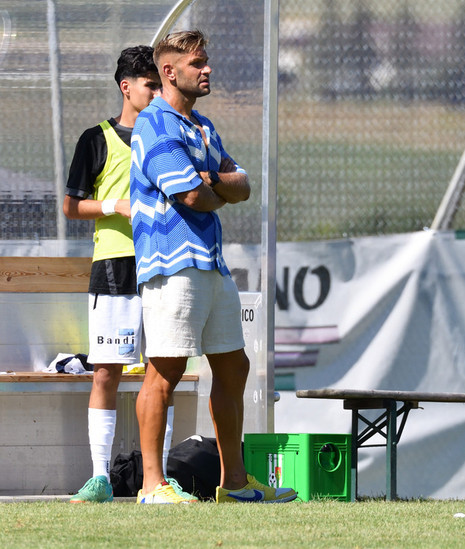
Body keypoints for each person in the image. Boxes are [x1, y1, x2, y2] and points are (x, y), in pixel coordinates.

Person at [130, 29, 296, 504]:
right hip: (171, 263)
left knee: (234, 367)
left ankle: (235, 483)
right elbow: (192, 195)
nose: (207, 70)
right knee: (165, 370)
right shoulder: (154, 124)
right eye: (197, 63)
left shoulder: (202, 126)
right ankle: (152, 485)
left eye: (207, 61)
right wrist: (215, 187)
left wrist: (216, 183)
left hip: (211, 262)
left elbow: (241, 185)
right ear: (169, 71)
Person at [63, 45, 193, 503]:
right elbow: (70, 205)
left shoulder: (166, 135)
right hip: (115, 268)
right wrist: (115, 206)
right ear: (127, 87)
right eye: (151, 84)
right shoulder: (95, 139)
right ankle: (100, 477)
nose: (158, 91)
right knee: (107, 372)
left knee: (164, 369)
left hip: (163, 263)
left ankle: (156, 477)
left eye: (161, 84)